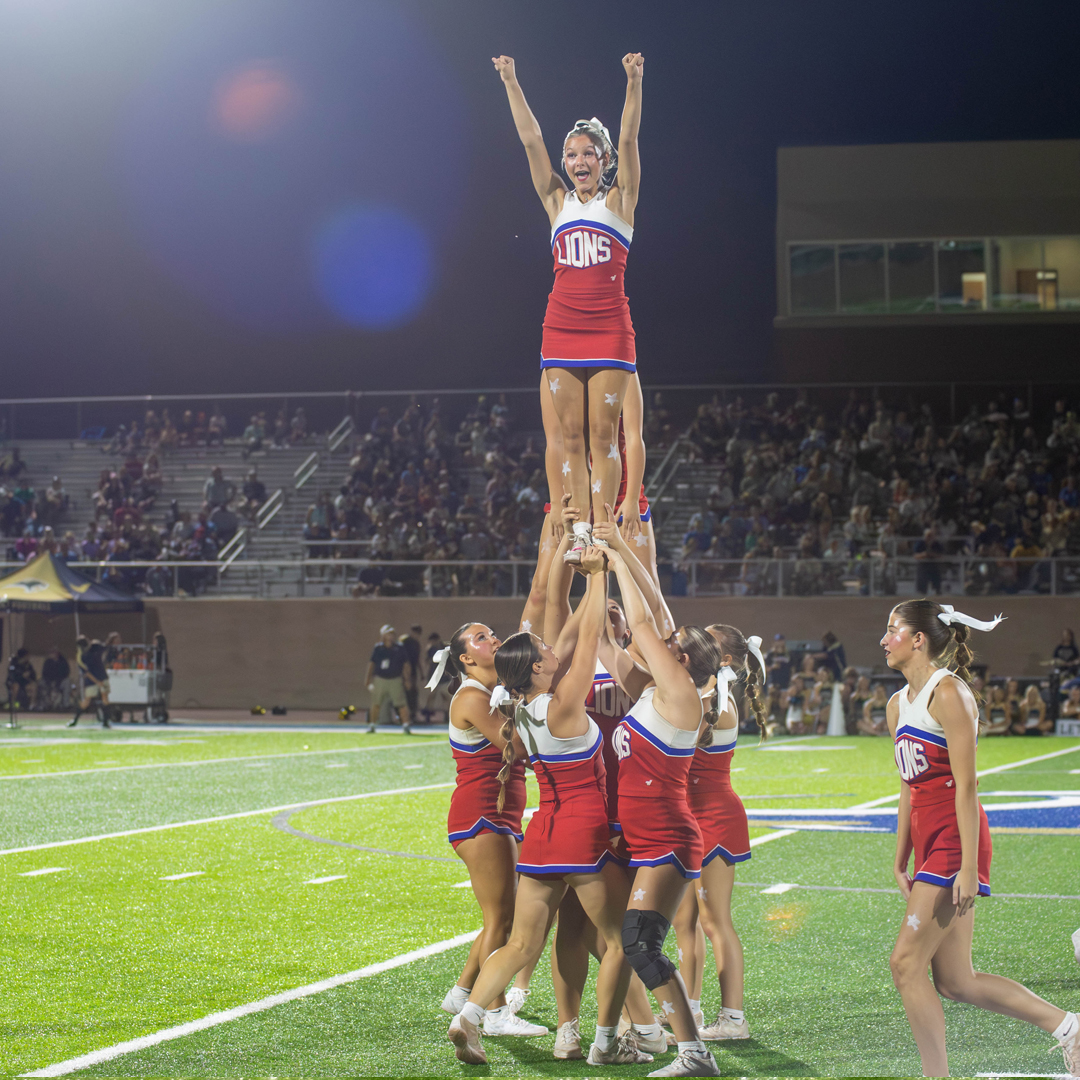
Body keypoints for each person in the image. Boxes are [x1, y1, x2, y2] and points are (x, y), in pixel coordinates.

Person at [448, 551, 652, 1067]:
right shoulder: (563, 704)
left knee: (520, 944)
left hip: (542, 833)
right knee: (616, 941)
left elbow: (564, 643)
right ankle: (609, 1040)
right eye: (543, 648)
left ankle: (468, 1016)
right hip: (583, 831)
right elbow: (587, 640)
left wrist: (588, 584)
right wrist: (598, 578)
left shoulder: (522, 709)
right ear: (538, 667)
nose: (550, 646)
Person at [881, 599, 1079, 1077]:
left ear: (918, 639)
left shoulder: (949, 692)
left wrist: (968, 866)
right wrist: (900, 857)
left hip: (956, 841)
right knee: (956, 982)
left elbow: (967, 788)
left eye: (892, 629)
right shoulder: (896, 704)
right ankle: (1070, 1028)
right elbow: (908, 786)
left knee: (905, 964)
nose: (884, 640)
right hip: (930, 843)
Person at [493, 52, 643, 561]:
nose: (579, 162)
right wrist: (512, 80)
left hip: (610, 329)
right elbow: (530, 139)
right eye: (572, 154)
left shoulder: (619, 202)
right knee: (571, 437)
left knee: (604, 437)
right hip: (560, 327)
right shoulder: (557, 203)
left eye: (589, 154)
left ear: (604, 161)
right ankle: (580, 528)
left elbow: (630, 138)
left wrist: (633, 82)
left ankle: (603, 526)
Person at [605, 544, 725, 1077]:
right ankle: (672, 1044)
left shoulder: (680, 692)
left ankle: (694, 1052)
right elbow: (617, 638)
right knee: (636, 942)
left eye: (669, 643)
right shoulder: (656, 690)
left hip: (667, 837)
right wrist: (600, 577)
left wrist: (616, 557)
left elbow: (643, 622)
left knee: (641, 945)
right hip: (648, 836)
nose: (656, 642)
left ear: (683, 660)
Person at [436, 622, 546, 1040]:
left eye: (492, 634)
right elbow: (517, 748)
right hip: (481, 814)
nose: (494, 640)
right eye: (481, 638)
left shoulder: (494, 692)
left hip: (498, 815)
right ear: (466, 658)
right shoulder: (472, 696)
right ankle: (495, 1012)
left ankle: (462, 991)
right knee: (502, 918)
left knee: (503, 915)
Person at [673, 625, 766, 1045]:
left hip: (714, 818)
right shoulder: (704, 696)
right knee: (685, 921)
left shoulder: (718, 703)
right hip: (693, 817)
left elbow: (675, 749)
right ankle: (688, 1010)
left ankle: (733, 1018)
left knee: (715, 921)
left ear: (723, 659)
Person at [363, 625, 412, 733]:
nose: (391, 636)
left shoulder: (399, 648)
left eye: (392, 634)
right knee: (376, 703)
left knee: (401, 703)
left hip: (395, 679)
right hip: (380, 679)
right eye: (388, 634)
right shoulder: (378, 648)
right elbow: (372, 664)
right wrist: (368, 678)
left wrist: (407, 679)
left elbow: (405, 665)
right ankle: (372, 725)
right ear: (383, 635)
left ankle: (406, 725)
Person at [68, 636, 111, 728]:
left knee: (104, 699)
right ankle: (75, 720)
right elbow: (87, 673)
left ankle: (105, 721)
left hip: (100, 677)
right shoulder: (82, 656)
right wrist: (97, 682)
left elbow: (105, 647)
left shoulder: (94, 647)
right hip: (96, 679)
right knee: (88, 700)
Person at [400, 623, 423, 722]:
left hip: (413, 672)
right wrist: (405, 675)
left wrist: (421, 672)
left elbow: (417, 660)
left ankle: (412, 714)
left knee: (413, 693)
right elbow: (403, 659)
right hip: (404, 673)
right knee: (405, 693)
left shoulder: (416, 644)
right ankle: (403, 716)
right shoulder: (405, 642)